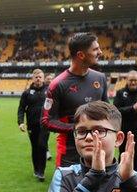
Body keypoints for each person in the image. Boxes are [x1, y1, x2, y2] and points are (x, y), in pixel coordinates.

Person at [41, 32, 109, 168]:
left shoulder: (100, 78)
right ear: (81, 55)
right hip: (69, 154)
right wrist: (77, 128)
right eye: (95, 49)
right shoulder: (58, 84)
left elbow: (107, 112)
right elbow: (46, 121)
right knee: (69, 190)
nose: (100, 52)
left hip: (98, 151)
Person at [113, 70, 137, 171]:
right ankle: (121, 179)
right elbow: (115, 111)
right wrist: (132, 108)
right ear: (127, 80)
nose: (133, 82)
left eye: (135, 80)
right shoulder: (120, 93)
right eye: (131, 80)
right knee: (123, 156)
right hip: (123, 132)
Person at [18, 69, 50, 181]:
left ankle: (41, 171)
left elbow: (54, 106)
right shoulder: (27, 93)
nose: (38, 79)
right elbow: (21, 108)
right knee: (35, 148)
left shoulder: (49, 91)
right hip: (32, 125)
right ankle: (36, 169)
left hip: (45, 125)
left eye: (40, 77)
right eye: (36, 77)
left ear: (43, 77)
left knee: (42, 145)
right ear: (33, 78)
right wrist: (21, 122)